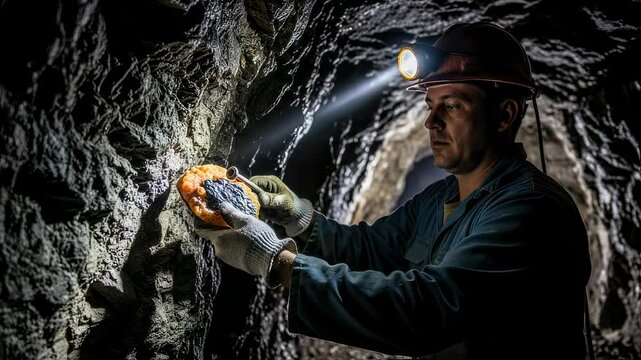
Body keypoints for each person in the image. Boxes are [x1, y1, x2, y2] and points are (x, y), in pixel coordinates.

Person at [195, 22, 592, 359]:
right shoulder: (439, 200)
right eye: (429, 105)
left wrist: (276, 260)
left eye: (451, 106)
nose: (431, 123)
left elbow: (429, 310)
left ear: (505, 114)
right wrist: (297, 215)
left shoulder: (532, 210)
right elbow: (373, 252)